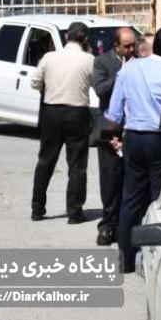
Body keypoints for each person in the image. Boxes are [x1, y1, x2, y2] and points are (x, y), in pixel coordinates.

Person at [106, 25, 161, 273]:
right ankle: (155, 257)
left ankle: (125, 259)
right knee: (158, 198)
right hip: (159, 138)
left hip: (134, 138)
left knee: (130, 198)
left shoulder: (128, 69)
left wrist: (116, 133)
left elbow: (114, 113)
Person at [30, 21, 96, 225]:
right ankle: (74, 212)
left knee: (45, 161)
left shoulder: (49, 57)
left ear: (67, 36)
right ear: (86, 39)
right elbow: (96, 84)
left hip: (52, 112)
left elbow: (35, 82)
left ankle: (37, 209)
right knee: (77, 166)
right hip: (77, 113)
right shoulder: (89, 60)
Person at [90, 27, 136, 245]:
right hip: (110, 128)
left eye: (133, 45)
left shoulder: (139, 62)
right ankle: (107, 225)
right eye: (127, 46)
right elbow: (100, 90)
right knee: (110, 179)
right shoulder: (102, 62)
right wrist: (121, 73)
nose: (131, 49)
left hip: (133, 128)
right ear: (116, 46)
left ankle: (126, 226)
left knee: (130, 179)